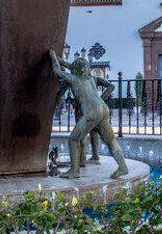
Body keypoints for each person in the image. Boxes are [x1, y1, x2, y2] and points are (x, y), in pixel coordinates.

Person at [50, 49, 128, 179]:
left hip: (92, 111)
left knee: (74, 139)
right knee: (110, 140)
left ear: (77, 71)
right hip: (103, 108)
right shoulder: (91, 78)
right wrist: (58, 57)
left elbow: (57, 72)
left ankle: (74, 171)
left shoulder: (74, 79)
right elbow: (72, 66)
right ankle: (123, 166)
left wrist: (52, 56)